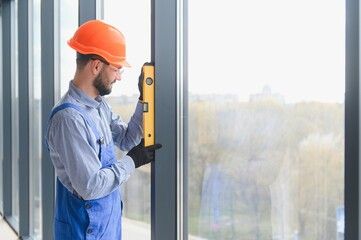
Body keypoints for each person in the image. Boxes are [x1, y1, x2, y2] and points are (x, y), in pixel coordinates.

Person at [45, 19, 161, 240]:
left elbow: (126, 140)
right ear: (96, 66)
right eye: (117, 69)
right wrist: (132, 161)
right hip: (83, 231)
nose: (119, 76)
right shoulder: (69, 119)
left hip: (105, 227)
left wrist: (143, 98)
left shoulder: (99, 106)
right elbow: (90, 186)